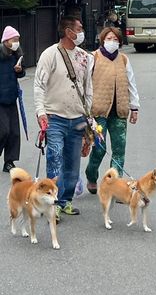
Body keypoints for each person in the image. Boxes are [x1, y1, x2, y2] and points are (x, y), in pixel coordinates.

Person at [34, 16, 93, 219]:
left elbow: (88, 89)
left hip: (77, 118)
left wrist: (89, 117)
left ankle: (66, 200)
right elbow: (39, 86)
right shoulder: (49, 55)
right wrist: (41, 112)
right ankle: (53, 204)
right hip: (54, 118)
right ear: (69, 32)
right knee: (55, 159)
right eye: (79, 28)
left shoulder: (85, 57)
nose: (82, 31)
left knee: (73, 163)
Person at [85, 27, 139, 194]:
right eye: (109, 38)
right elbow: (85, 83)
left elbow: (131, 83)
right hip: (98, 112)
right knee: (99, 149)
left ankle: (114, 185)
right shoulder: (93, 57)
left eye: (116, 39)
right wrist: (86, 110)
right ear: (102, 40)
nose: (112, 42)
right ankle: (91, 174)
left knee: (119, 149)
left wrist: (134, 107)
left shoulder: (123, 59)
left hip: (120, 112)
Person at [0, 26, 26, 172]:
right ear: (6, 40)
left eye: (18, 40)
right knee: (3, 130)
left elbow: (20, 75)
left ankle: (9, 161)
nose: (17, 42)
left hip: (12, 98)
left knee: (14, 132)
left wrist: (19, 70)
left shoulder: (16, 55)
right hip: (0, 100)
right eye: (14, 39)